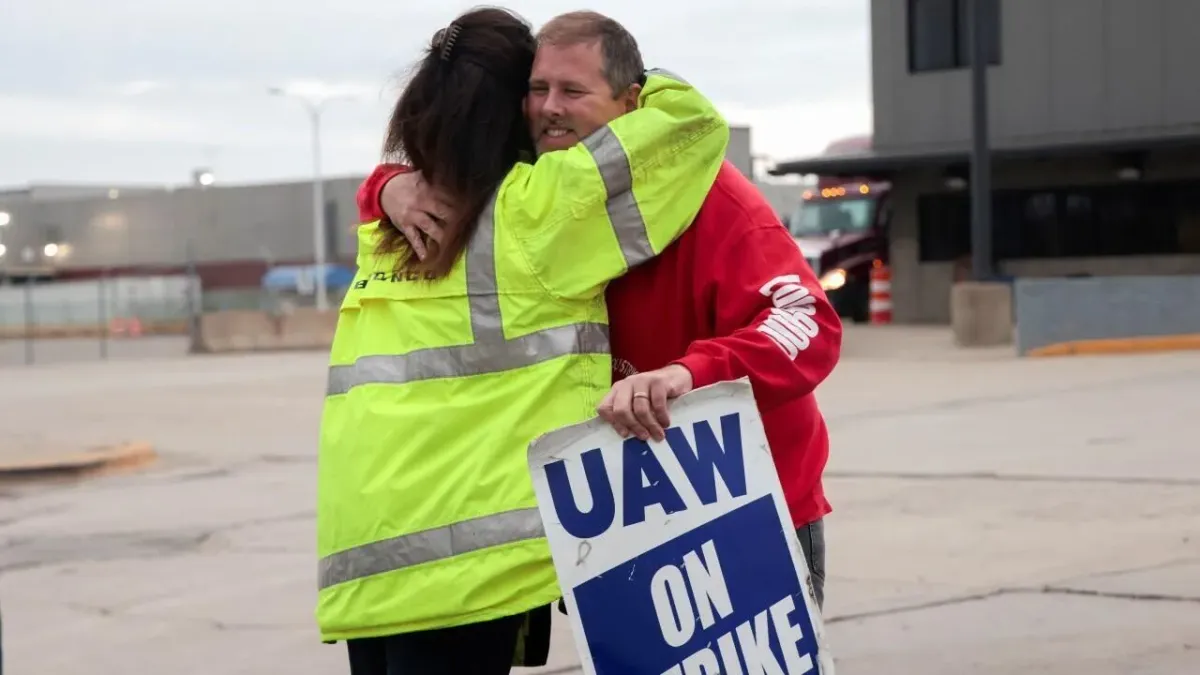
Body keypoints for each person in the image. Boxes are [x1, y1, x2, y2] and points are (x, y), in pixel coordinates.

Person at [359, 10, 843, 610]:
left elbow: (808, 323)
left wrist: (688, 373)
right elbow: (447, 185)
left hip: (746, 503)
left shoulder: (715, 198)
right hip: (619, 521)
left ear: (630, 102)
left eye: (573, 91)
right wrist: (387, 185)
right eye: (537, 89)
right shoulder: (536, 190)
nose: (548, 108)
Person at [316, 6, 730, 674]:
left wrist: (388, 185)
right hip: (465, 571)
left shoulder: (387, 232)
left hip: (370, 559)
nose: (548, 107)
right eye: (536, 89)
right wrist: (614, 77)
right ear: (509, 107)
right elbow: (691, 122)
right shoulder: (535, 212)